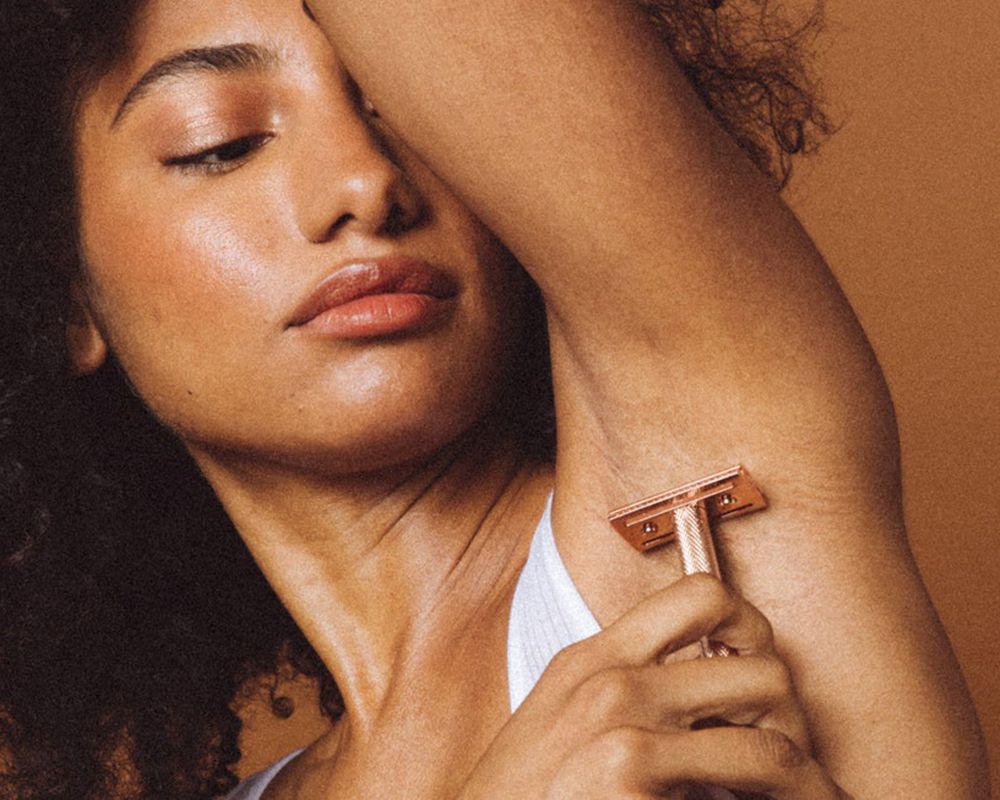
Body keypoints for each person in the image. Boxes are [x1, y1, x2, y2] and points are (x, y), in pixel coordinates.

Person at [0, 0, 988, 798]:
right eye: (222, 142)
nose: (366, 183)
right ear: (61, 290)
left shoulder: (687, 507)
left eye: (405, 112)